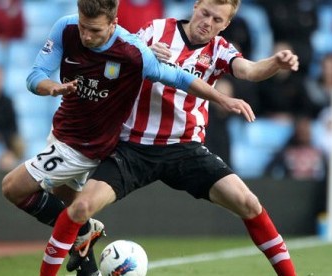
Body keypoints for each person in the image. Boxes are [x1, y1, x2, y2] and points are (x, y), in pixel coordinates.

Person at [1, 0, 255, 275]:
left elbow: (179, 78)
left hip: (88, 144)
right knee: (74, 211)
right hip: (63, 130)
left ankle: (82, 233)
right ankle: (89, 259)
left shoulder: (133, 52)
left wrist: (222, 99)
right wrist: (51, 87)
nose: (86, 36)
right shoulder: (65, 27)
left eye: (95, 31)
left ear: (113, 24)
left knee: (13, 187)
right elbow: (34, 76)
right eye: (83, 27)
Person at [59, 0, 299, 275]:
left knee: (248, 203)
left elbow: (250, 71)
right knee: (82, 207)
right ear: (196, 6)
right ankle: (82, 261)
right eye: (205, 13)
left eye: (217, 20)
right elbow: (118, 59)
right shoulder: (157, 30)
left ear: (226, 24)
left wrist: (275, 63)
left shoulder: (220, 49)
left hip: (185, 149)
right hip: (134, 146)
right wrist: (145, 53)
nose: (208, 22)